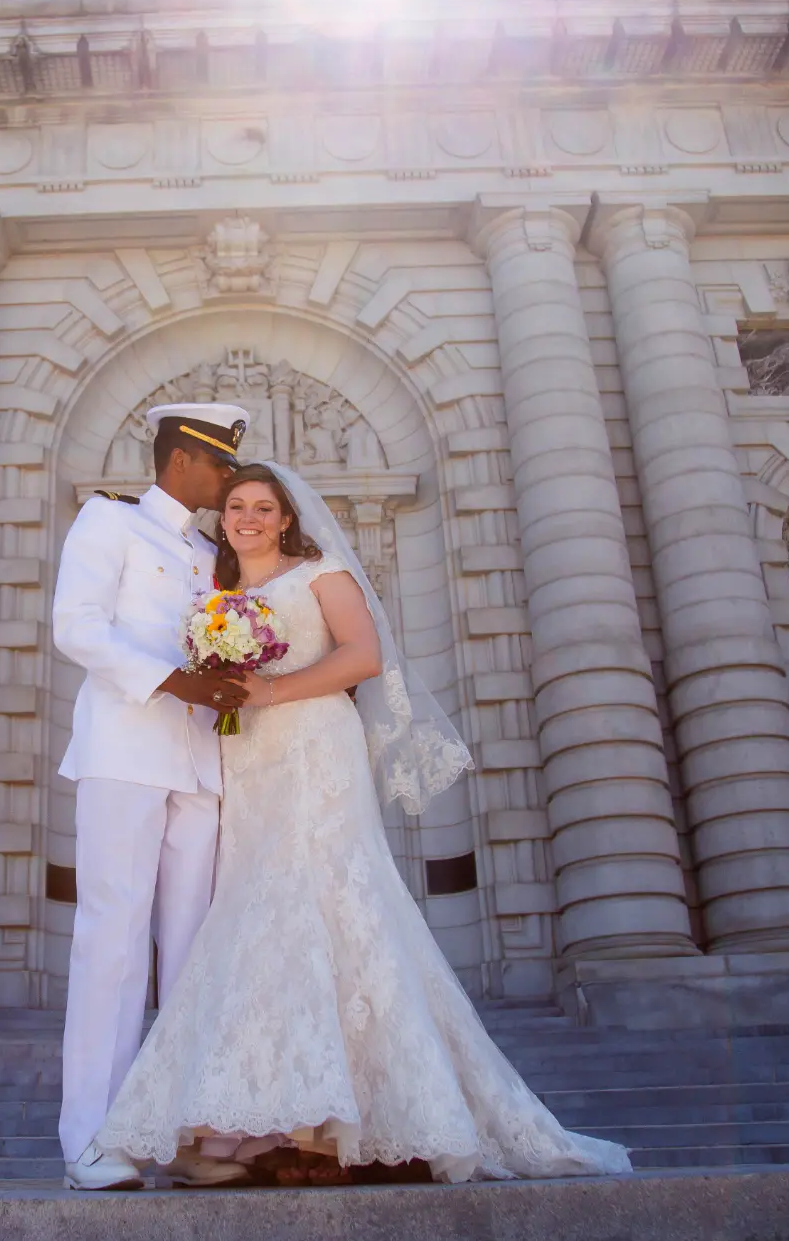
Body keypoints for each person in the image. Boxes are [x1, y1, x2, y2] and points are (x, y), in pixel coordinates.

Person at [94, 463, 633, 1184]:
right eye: (236, 507)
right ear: (220, 518)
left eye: (263, 507)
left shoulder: (320, 571)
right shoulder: (221, 597)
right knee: (264, 915)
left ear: (287, 518)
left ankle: (311, 1120)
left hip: (315, 745)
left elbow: (364, 655)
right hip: (250, 757)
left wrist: (273, 688)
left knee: (320, 900)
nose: (248, 517)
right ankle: (270, 1119)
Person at [51, 402, 259, 1192]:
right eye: (220, 465)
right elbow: (77, 627)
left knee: (193, 951)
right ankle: (93, 1139)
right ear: (181, 460)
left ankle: (180, 1129)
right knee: (113, 939)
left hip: (198, 761)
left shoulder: (210, 552)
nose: (228, 479)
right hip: (125, 750)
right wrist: (178, 680)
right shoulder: (109, 524)